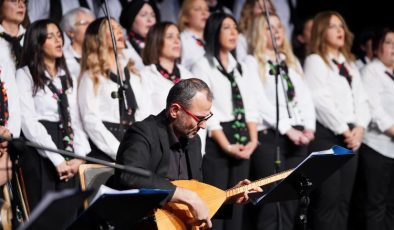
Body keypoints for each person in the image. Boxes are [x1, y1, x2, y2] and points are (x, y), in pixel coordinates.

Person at [113, 78, 259, 229]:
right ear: (175, 110)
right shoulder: (143, 132)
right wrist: (185, 195)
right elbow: (129, 176)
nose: (203, 126)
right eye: (199, 119)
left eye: (207, 118)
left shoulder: (194, 142)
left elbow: (197, 197)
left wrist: (227, 197)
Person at [244, 13, 315, 230]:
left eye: (278, 27)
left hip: (298, 134)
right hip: (271, 137)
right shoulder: (251, 61)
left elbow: (305, 96)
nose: (275, 32)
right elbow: (257, 101)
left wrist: (309, 126)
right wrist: (286, 128)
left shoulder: (290, 61)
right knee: (272, 201)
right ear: (258, 33)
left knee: (292, 199)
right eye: (269, 28)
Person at [191, 12, 259, 230]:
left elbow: (251, 105)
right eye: (227, 28)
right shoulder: (203, 65)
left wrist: (254, 141)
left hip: (242, 135)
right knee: (217, 202)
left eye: (235, 28)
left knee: (240, 201)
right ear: (214, 31)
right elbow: (209, 112)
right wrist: (227, 146)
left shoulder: (240, 66)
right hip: (218, 139)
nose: (233, 33)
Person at [303, 11, 371, 230]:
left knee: (343, 201)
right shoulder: (315, 61)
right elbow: (320, 100)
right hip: (328, 136)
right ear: (322, 31)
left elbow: (361, 98)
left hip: (352, 137)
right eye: (333, 26)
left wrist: (360, 128)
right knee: (327, 201)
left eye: (341, 26)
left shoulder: (348, 63)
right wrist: (344, 129)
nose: (340, 30)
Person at [16, 19, 91, 211]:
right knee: (47, 213)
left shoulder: (68, 76)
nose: (58, 40)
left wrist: (79, 157)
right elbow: (28, 121)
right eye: (50, 37)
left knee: (71, 214)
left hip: (67, 143)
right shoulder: (25, 74)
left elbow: (76, 119)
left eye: (59, 35)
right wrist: (57, 159)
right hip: (41, 149)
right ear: (37, 43)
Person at [78, 17, 152, 162]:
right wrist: (119, 152)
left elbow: (144, 114)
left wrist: (143, 147)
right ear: (98, 39)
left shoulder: (135, 74)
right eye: (112, 29)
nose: (119, 32)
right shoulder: (92, 77)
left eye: (119, 28)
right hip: (107, 149)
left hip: (135, 143)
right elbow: (90, 120)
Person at [358, 27, 394, 230]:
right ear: (378, 47)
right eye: (389, 42)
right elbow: (375, 110)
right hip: (377, 148)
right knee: (376, 205)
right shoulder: (371, 71)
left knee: (392, 205)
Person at [119, 0, 160, 70]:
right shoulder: (123, 47)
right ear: (131, 19)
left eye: (153, 15)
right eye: (143, 15)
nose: (150, 20)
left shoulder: (162, 43)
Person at [61, 7, 95, 78]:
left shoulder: (102, 54)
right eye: (85, 23)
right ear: (70, 32)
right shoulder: (63, 60)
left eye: (93, 23)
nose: (92, 27)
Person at [178, 0, 210, 71]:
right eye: (197, 9)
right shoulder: (181, 40)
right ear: (185, 16)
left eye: (207, 9)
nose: (204, 13)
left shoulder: (212, 40)